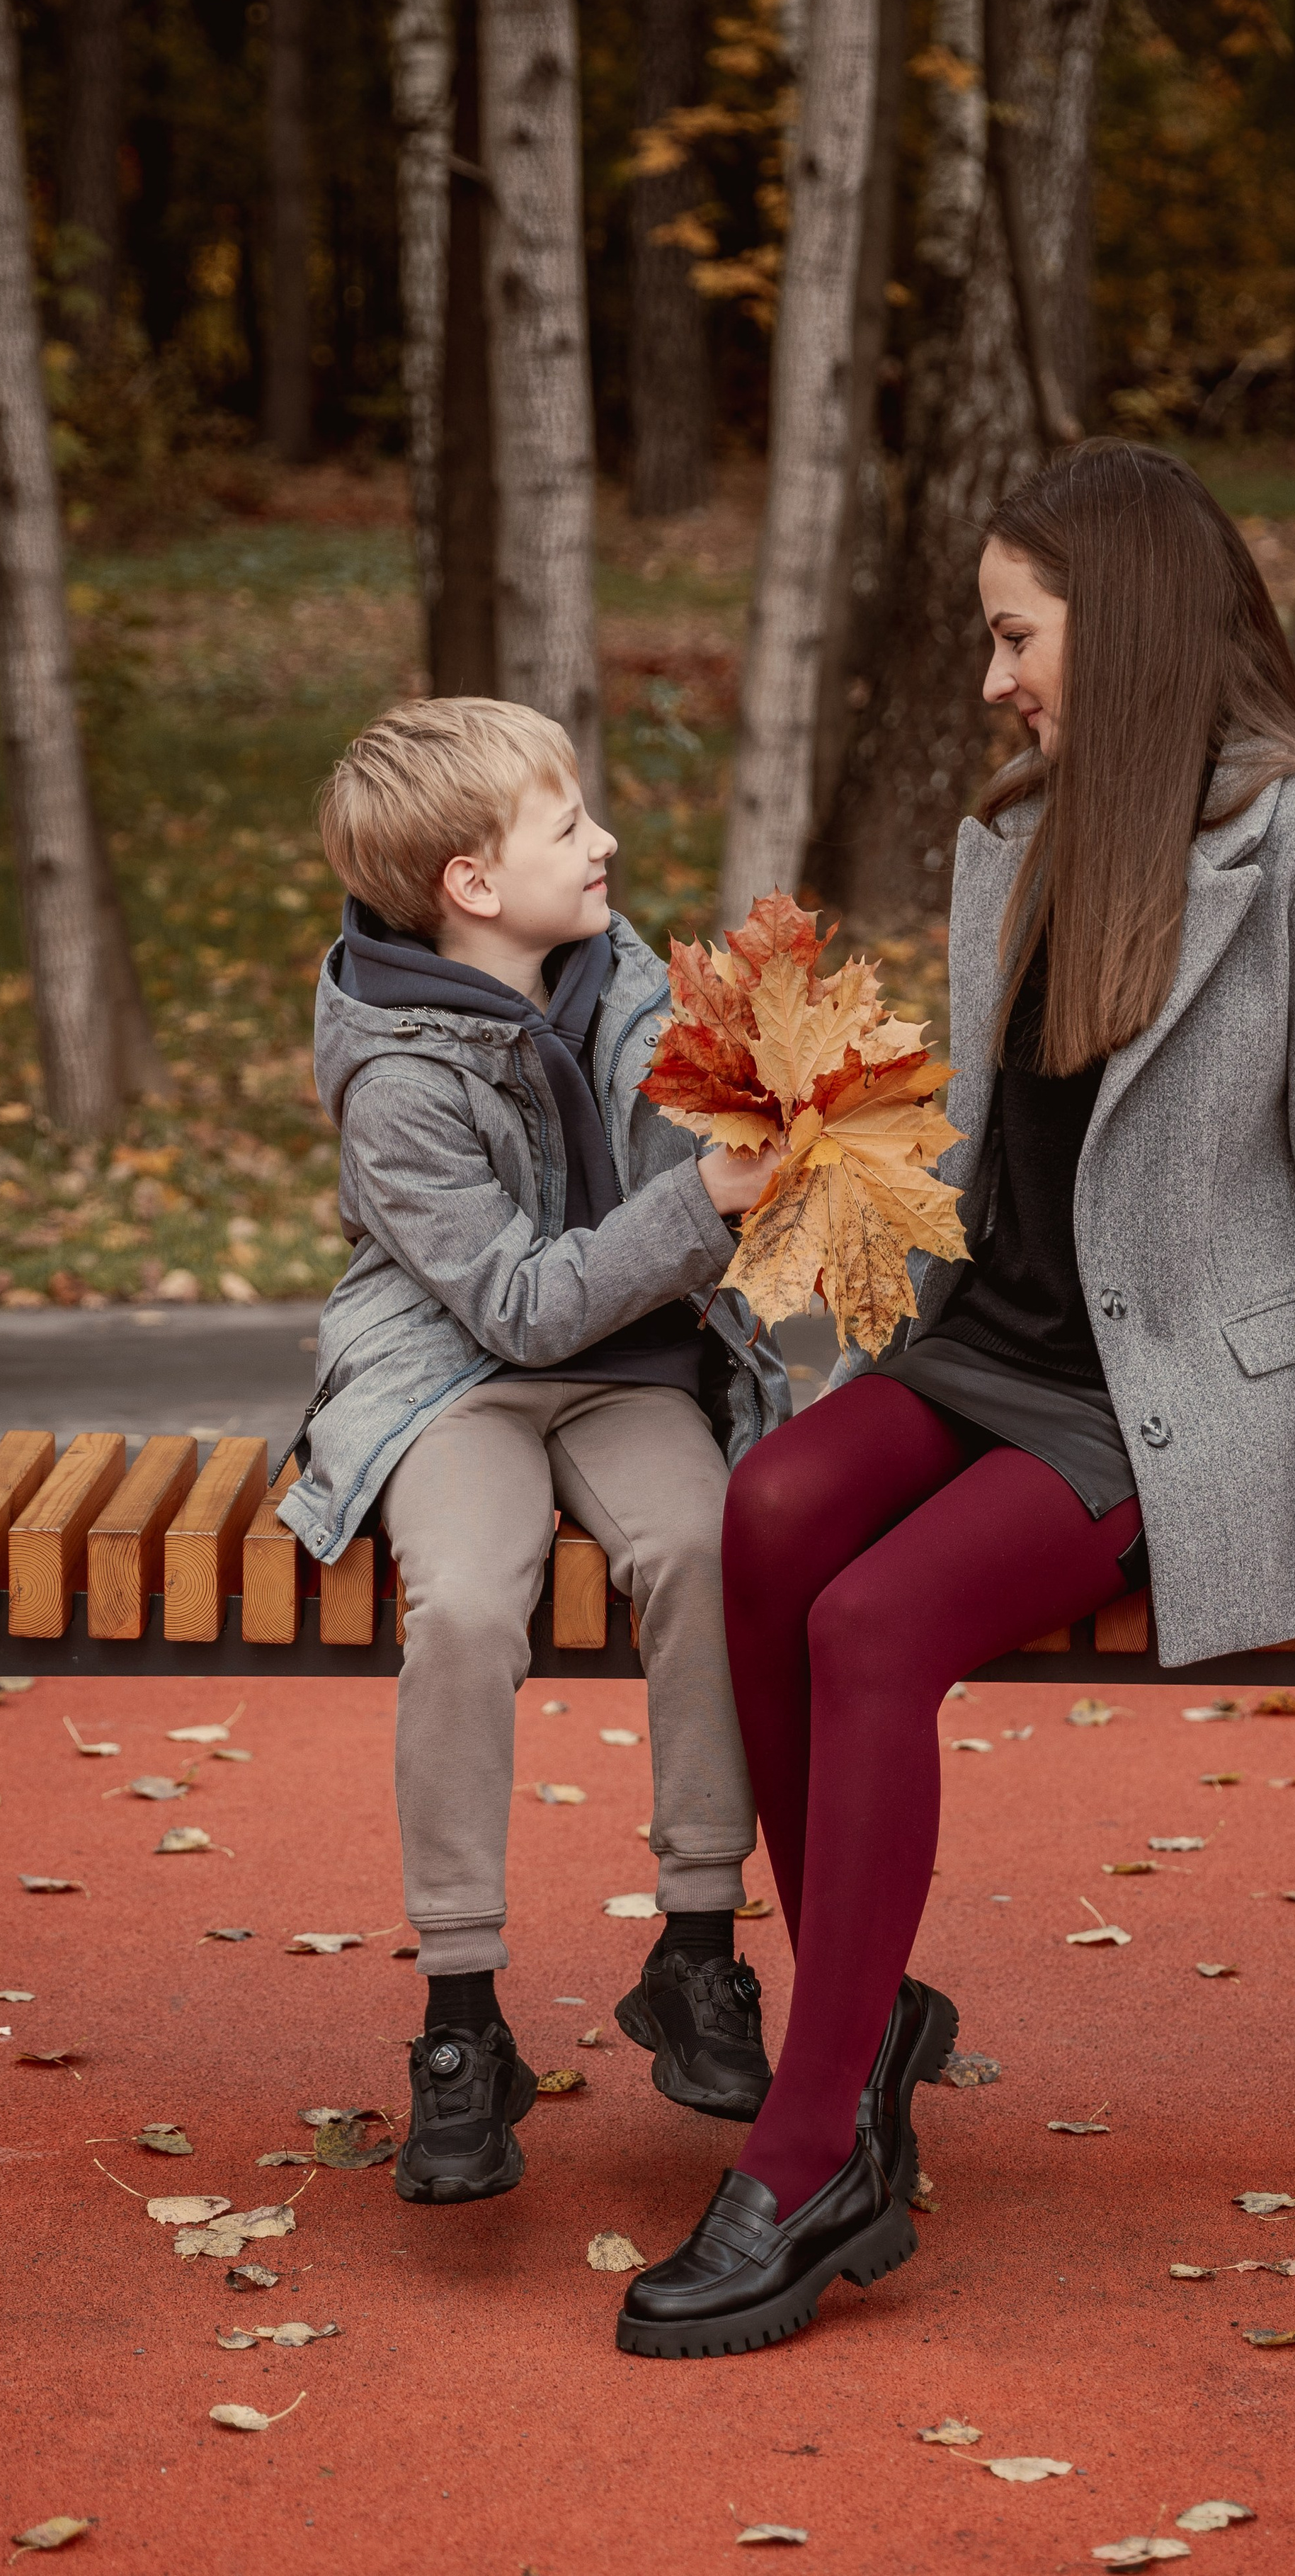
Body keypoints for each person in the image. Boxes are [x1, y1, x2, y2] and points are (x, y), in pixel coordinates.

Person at [616, 438, 1295, 2359]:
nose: (996, 674)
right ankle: (867, 2009)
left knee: (874, 1620)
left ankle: (815, 2141)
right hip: (994, 1339)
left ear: (1130, 619)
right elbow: (1009, 1151)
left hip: (1168, 1388)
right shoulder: (1013, 833)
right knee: (771, 1518)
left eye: (1018, 632)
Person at [279, 698, 789, 2206]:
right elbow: (508, 1301)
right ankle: (458, 2018)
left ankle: (696, 1952)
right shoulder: (394, 1072)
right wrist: (702, 1196)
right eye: (567, 824)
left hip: (628, 1360)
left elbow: (700, 1179)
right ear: (470, 885)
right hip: (455, 1371)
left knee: (706, 1547)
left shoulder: (628, 977)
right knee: (465, 1599)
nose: (606, 841)